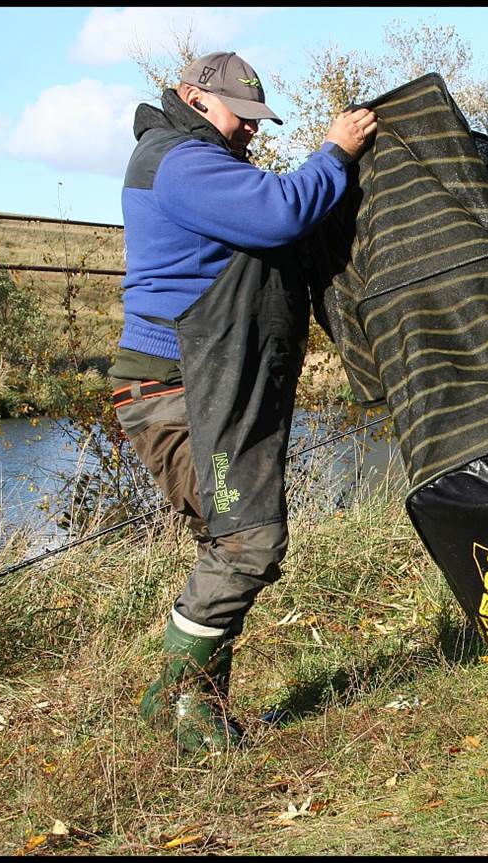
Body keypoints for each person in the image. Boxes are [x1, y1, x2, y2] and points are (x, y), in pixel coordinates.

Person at [109, 51, 376, 753]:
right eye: (243, 116)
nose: (252, 132)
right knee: (248, 540)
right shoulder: (179, 161)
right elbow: (281, 212)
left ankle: (193, 707)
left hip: (204, 383)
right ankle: (176, 704)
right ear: (194, 97)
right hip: (179, 388)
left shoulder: (199, 158)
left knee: (234, 537)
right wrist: (336, 152)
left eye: (259, 120)